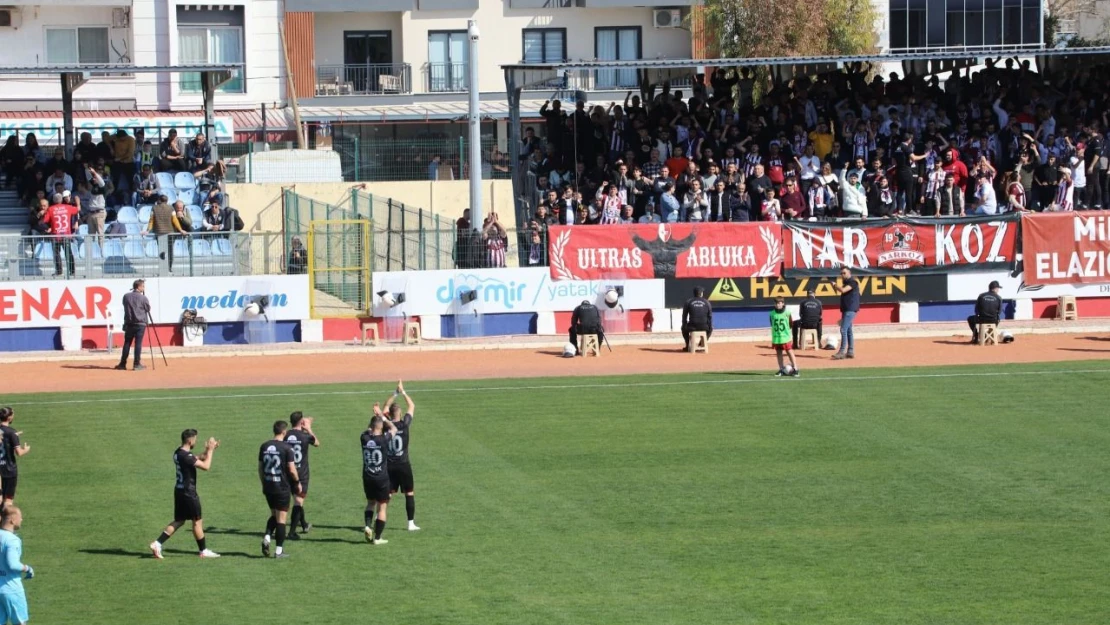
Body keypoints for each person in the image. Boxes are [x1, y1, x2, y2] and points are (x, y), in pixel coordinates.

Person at [149, 429, 221, 559]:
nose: (196, 441)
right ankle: (203, 550)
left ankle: (157, 543)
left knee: (180, 520)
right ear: (189, 440)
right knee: (197, 521)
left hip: (179, 491)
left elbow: (197, 458)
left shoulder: (178, 453)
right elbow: (206, 466)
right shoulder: (186, 457)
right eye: (195, 439)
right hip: (189, 493)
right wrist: (210, 451)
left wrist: (210, 450)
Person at [259, 420, 299, 558]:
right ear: (284, 432)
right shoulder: (287, 448)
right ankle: (279, 551)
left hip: (268, 486)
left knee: (274, 515)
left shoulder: (264, 446)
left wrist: (263, 483)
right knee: (281, 519)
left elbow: (260, 468)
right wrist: (297, 482)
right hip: (281, 487)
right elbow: (292, 470)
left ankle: (267, 537)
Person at [384, 381, 420, 532]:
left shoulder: (385, 424)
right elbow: (412, 406)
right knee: (409, 493)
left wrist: (395, 393)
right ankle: (410, 523)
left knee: (388, 495)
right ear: (400, 413)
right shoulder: (405, 425)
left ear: (390, 414)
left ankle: (380, 519)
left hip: (389, 465)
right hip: (404, 464)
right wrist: (403, 392)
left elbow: (384, 407)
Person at [362, 404, 398, 545]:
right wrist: (383, 417)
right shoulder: (384, 439)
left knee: (370, 503)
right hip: (381, 478)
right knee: (382, 506)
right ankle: (377, 538)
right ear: (381, 427)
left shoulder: (363, 438)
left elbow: (368, 430)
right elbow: (394, 428)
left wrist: (375, 420)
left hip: (367, 476)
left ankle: (367, 525)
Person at [283, 412, 318, 540]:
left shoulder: (285, 435)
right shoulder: (305, 436)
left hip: (287, 472)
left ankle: (304, 524)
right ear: (301, 421)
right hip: (301, 474)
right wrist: (308, 428)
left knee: (297, 499)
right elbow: (317, 443)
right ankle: (292, 532)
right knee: (298, 502)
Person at [0, 506, 32, 625]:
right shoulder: (12, 540)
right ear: (12, 520)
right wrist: (27, 568)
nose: (22, 519)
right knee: (19, 622)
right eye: (20, 517)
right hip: (11, 588)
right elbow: (12, 564)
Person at [115, 279, 151, 371]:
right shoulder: (143, 298)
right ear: (139, 287)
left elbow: (124, 305)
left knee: (127, 343)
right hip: (140, 323)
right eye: (142, 286)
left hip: (129, 323)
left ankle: (122, 364)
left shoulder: (126, 296)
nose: (143, 288)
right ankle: (136, 364)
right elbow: (147, 308)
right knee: (138, 344)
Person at [42, 193, 78, 277]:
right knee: (68, 253)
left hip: (56, 235)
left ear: (54, 201)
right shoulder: (68, 207)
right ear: (61, 200)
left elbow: (44, 221)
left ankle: (59, 271)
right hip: (66, 234)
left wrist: (49, 228)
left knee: (56, 253)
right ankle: (72, 272)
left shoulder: (50, 209)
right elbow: (77, 210)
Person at [0, 409, 28, 508]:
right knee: (8, 500)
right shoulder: (12, 432)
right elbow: (19, 453)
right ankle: (6, 522)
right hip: (9, 470)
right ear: (9, 417)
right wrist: (26, 449)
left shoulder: (11, 433)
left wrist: (13, 436)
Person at [833, 267, 859, 360]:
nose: (842, 275)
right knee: (848, 330)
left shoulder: (853, 282)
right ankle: (850, 351)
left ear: (849, 273)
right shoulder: (846, 283)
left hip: (850, 309)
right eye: (841, 273)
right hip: (846, 309)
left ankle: (842, 351)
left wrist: (835, 285)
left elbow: (843, 290)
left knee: (843, 329)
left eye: (844, 273)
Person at [770, 297, 800, 376]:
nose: (778, 305)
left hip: (785, 337)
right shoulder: (772, 313)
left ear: (783, 304)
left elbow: (790, 324)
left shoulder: (787, 313)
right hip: (776, 338)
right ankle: (781, 369)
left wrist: (785, 332)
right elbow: (771, 323)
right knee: (778, 353)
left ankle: (795, 368)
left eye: (780, 303)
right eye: (777, 303)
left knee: (789, 352)